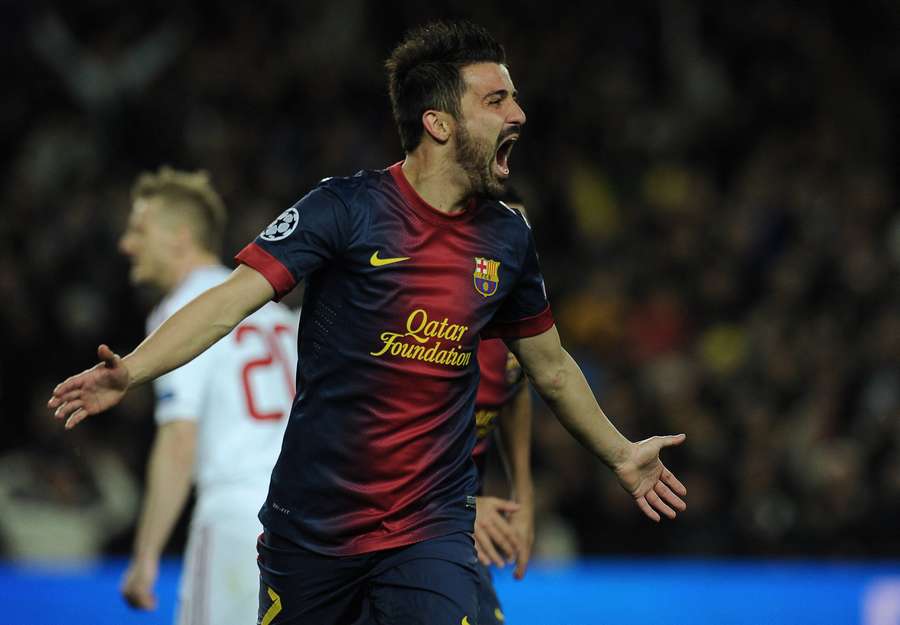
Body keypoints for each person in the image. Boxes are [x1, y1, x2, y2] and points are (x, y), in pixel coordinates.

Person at [50, 21, 687, 625]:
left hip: (428, 528)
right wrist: (130, 370)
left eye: (514, 99)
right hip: (311, 532)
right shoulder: (345, 209)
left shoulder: (508, 236)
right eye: (496, 100)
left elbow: (548, 368)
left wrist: (622, 455)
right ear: (438, 123)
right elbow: (227, 303)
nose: (518, 115)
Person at [115, 167, 298, 625]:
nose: (126, 244)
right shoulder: (270, 309)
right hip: (308, 518)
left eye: (139, 230)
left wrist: (145, 556)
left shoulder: (183, 311)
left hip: (237, 518)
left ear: (179, 237)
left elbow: (180, 440)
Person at [471, 337, 533, 625]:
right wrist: (464, 504)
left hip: (458, 521)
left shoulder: (507, 320)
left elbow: (515, 384)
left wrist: (523, 496)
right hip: (388, 525)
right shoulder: (415, 329)